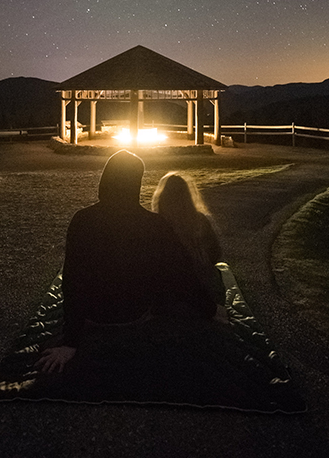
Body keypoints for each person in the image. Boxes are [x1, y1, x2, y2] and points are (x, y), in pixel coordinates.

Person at [36, 150, 217, 374]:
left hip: (94, 314)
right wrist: (209, 308)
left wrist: (70, 341)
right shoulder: (155, 225)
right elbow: (180, 273)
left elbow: (73, 281)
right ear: (136, 183)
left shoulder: (82, 220)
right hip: (135, 313)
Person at [152, 172, 226, 307]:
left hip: (168, 293)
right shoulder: (200, 221)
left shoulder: (156, 224)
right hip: (204, 289)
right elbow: (216, 254)